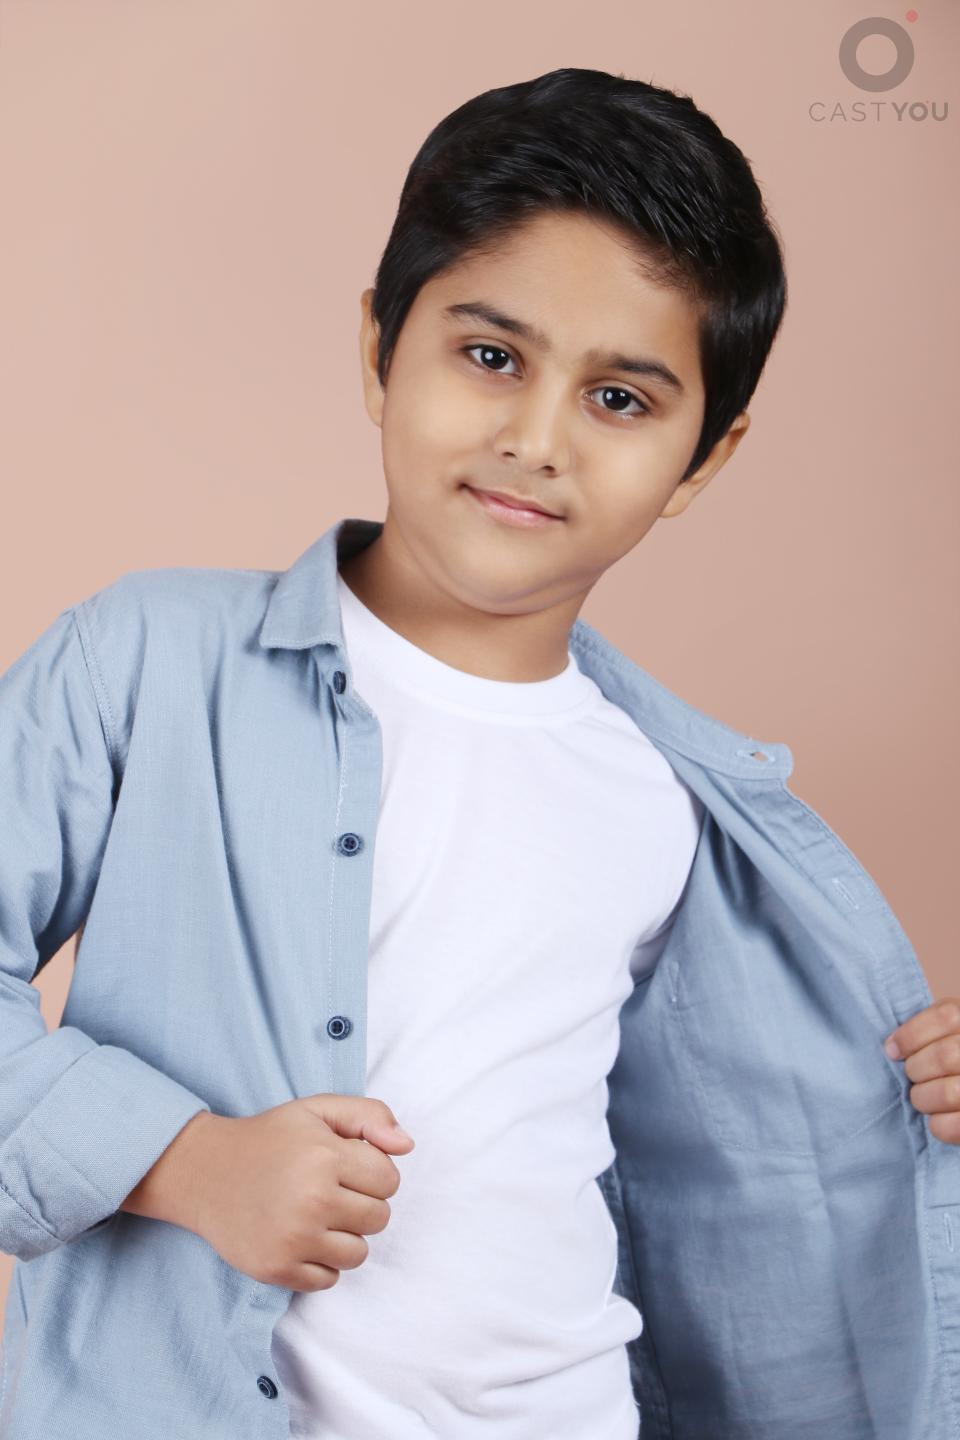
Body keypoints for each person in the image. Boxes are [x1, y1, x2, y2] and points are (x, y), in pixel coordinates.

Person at [0, 66, 957, 1440]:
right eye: (492, 356)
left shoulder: (679, 802)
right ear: (381, 345)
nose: (535, 439)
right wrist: (181, 1160)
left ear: (704, 457)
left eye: (619, 399)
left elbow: (777, 1173)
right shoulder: (148, 663)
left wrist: (917, 1104)